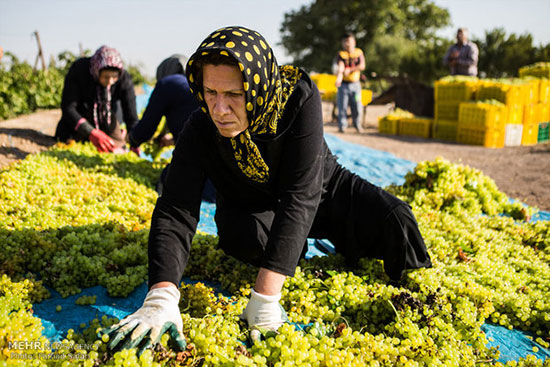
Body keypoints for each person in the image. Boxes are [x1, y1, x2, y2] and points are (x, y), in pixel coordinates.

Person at [100, 26, 431, 354]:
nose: (219, 109)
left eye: (234, 95)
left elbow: (301, 195)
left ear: (257, 87)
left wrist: (265, 298)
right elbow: (175, 208)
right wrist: (162, 295)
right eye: (211, 92)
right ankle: (291, 252)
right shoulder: (201, 126)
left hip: (320, 189)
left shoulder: (298, 98)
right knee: (243, 239)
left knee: (397, 221)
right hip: (254, 203)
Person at [55, 45, 138, 153]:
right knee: (68, 145)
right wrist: (90, 132)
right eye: (106, 77)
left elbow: (131, 115)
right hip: (78, 121)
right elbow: (68, 108)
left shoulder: (124, 79)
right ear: (96, 71)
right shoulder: (79, 70)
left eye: (114, 77)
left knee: (116, 148)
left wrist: (135, 142)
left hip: (106, 122)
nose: (110, 82)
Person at [127, 54, 198, 150]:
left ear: (163, 71)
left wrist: (132, 139)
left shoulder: (166, 84)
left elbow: (148, 125)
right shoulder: (194, 84)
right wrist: (172, 140)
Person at [335, 32, 365, 133]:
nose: (347, 44)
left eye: (349, 41)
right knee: (342, 106)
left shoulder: (359, 52)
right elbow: (340, 67)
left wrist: (351, 70)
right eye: (345, 42)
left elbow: (362, 66)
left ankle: (357, 124)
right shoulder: (341, 54)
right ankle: (342, 126)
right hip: (343, 85)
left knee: (357, 105)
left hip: (356, 85)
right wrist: (339, 78)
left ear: (354, 42)